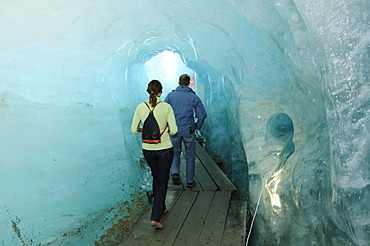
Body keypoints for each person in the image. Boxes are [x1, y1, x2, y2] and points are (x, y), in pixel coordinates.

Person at [131, 80, 178, 229]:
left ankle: (162, 206)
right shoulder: (166, 107)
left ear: (148, 91)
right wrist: (166, 131)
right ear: (160, 92)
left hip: (148, 149)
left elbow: (133, 129)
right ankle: (155, 217)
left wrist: (145, 132)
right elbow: (174, 130)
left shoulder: (140, 107)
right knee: (162, 180)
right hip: (164, 149)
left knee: (157, 177)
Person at [165, 74, 207, 187]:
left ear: (178, 83)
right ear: (189, 83)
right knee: (190, 155)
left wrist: (167, 126)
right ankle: (190, 180)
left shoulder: (170, 96)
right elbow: (202, 115)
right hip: (188, 130)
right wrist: (197, 126)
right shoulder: (193, 97)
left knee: (175, 152)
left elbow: (164, 112)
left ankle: (175, 172)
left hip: (174, 130)